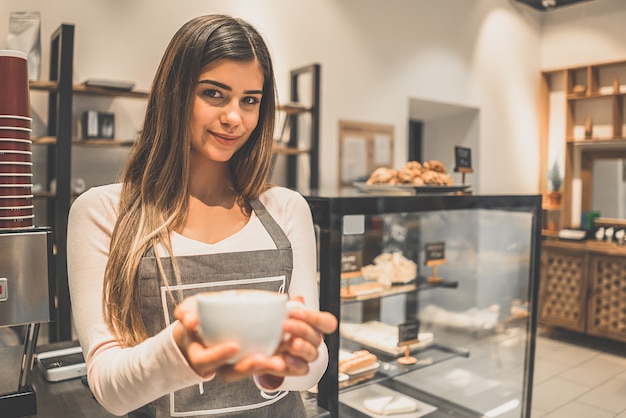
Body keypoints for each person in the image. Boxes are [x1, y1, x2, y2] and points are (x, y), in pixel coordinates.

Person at [67, 14, 337, 418]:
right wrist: (182, 348)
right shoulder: (103, 212)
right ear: (174, 94)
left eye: (250, 100)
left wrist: (293, 360)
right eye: (214, 94)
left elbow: (313, 362)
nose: (235, 118)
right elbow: (108, 386)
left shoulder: (286, 208)